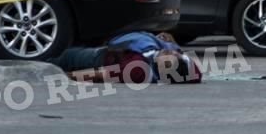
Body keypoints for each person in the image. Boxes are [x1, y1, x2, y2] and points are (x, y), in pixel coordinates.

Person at [50, 32, 202, 84]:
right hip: (119, 42)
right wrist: (172, 43)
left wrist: (64, 77)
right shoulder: (188, 71)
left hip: (98, 57)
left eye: (167, 60)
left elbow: (101, 74)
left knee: (62, 56)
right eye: (175, 54)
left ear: (163, 71)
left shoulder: (138, 70)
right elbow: (194, 73)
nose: (169, 53)